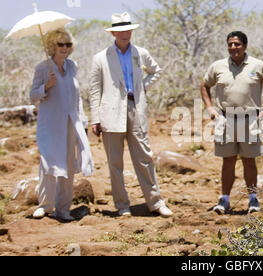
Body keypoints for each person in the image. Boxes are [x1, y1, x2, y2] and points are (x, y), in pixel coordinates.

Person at [89, 12, 172, 218]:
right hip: (110, 113)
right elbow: (94, 90)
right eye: (120, 30)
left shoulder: (140, 53)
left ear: (131, 31)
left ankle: (155, 202)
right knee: (115, 163)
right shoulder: (101, 57)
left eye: (128, 29)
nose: (125, 33)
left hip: (136, 108)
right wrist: (95, 119)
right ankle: (122, 205)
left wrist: (141, 87)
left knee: (144, 157)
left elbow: (156, 71)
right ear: (114, 32)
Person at [200, 31, 263, 214]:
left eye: (237, 44)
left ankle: (253, 199)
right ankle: (224, 199)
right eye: (230, 44)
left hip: (250, 120)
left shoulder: (257, 66)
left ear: (245, 46)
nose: (233, 48)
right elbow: (204, 85)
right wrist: (210, 108)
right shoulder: (218, 66)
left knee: (249, 161)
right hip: (225, 119)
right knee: (227, 161)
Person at [30, 28, 94, 221]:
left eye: (68, 44)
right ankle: (45, 205)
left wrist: (83, 119)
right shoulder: (43, 68)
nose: (65, 48)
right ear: (52, 46)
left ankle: (63, 209)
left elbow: (76, 97)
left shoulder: (72, 66)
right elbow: (33, 96)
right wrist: (46, 86)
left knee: (68, 163)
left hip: (70, 122)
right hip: (50, 123)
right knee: (48, 163)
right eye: (60, 44)